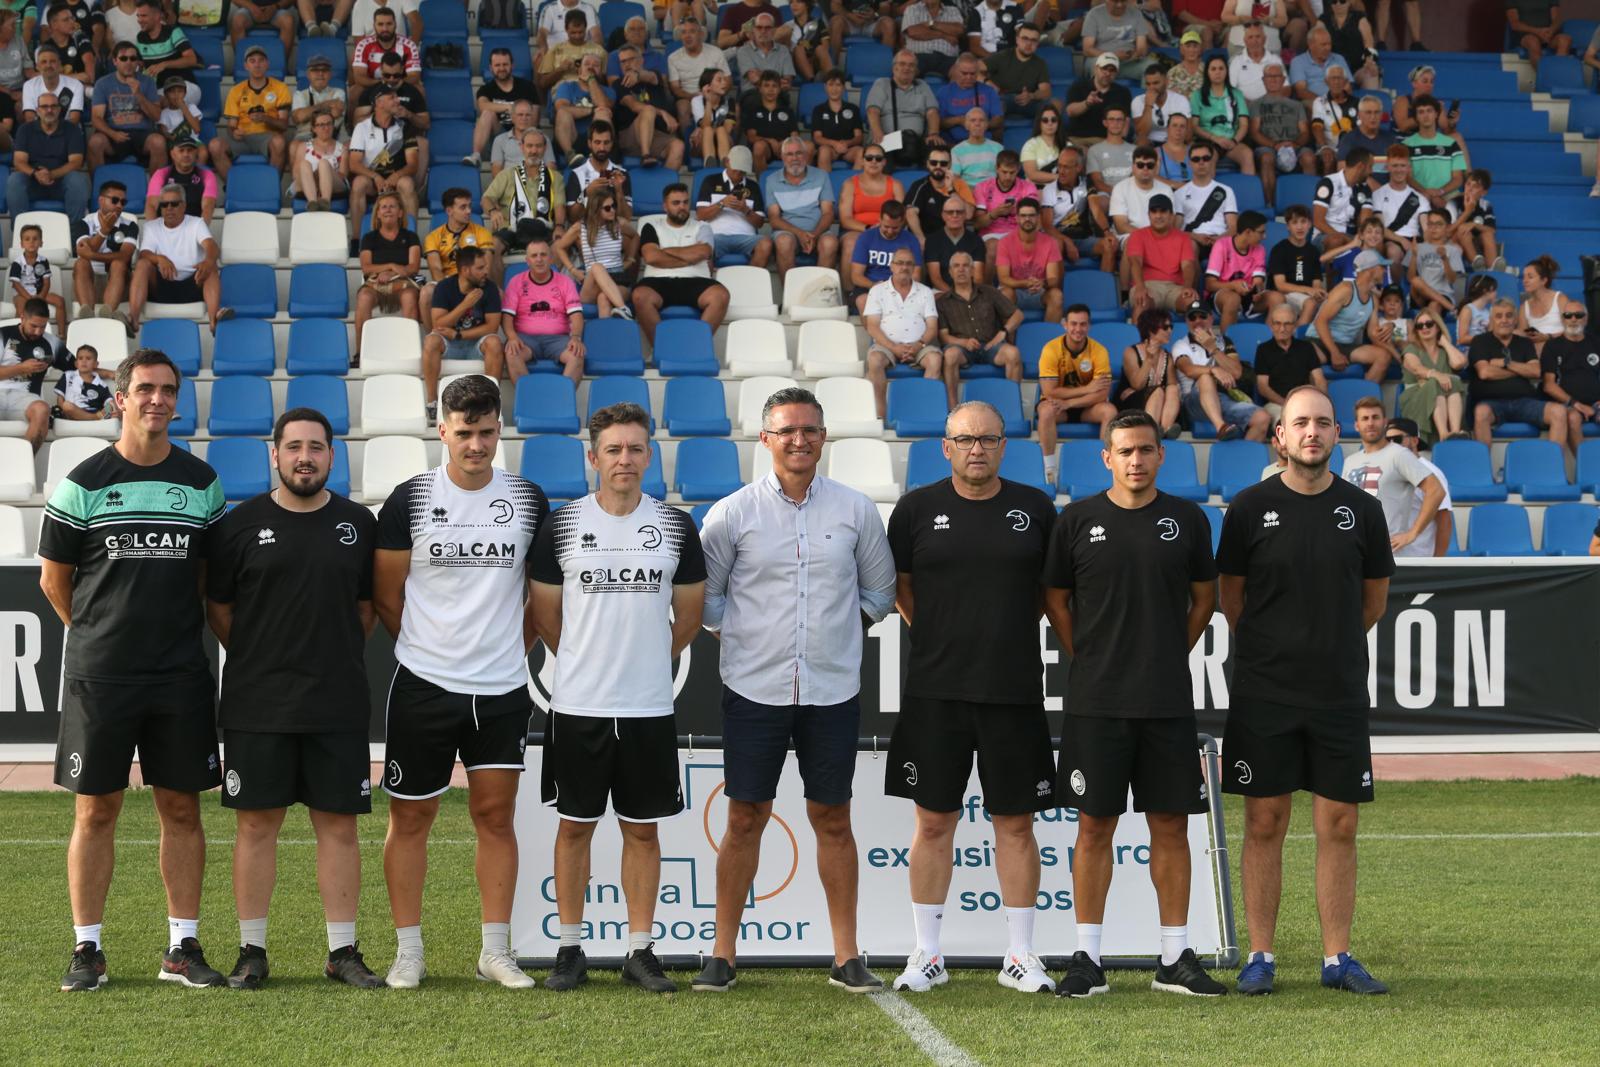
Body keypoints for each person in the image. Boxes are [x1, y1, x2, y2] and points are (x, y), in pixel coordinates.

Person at [692, 385, 897, 994]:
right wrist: (753, 635)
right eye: (786, 430)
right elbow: (707, 598)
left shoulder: (856, 510)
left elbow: (879, 594)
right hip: (754, 689)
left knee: (832, 817)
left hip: (831, 690)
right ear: (766, 439)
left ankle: (846, 955)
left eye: (809, 429)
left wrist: (833, 633)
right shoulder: (731, 513)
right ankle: (722, 954)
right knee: (745, 816)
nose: (799, 440)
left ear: (824, 437)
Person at [41, 347, 228, 992]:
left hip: (179, 674)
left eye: (167, 390)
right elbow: (54, 581)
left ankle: (182, 947)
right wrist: (98, 636)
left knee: (182, 809)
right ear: (119, 399)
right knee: (97, 811)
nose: (157, 400)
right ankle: (87, 950)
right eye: (144, 389)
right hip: (102, 677)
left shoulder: (202, 483)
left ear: (178, 400)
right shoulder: (83, 481)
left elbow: (207, 580)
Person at [1218, 384, 1394, 998]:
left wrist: (1327, 646)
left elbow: (1373, 601)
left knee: (1339, 824)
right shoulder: (1247, 508)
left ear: (1336, 434)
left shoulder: (1363, 511)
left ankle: (1337, 958)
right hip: (1265, 690)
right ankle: (1260, 955)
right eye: (1300, 424)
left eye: (1322, 423)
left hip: (1339, 691)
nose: (1312, 433)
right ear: (1281, 436)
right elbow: (1232, 600)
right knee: (1264, 820)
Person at [374, 374, 549, 991]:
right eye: (464, 432)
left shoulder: (527, 500)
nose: (476, 444)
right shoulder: (410, 499)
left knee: (495, 817)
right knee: (410, 819)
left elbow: (539, 595)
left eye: (487, 432)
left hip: (501, 689)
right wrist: (429, 648)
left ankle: (494, 951)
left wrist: (510, 648)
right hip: (423, 684)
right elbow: (387, 593)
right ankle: (408, 951)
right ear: (441, 430)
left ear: (500, 430)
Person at [1045, 408, 1224, 998]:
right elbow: (1057, 603)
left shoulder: (1187, 519)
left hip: (1167, 699)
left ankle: (1174, 957)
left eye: (1146, 450)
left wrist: (1169, 651)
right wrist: (1091, 658)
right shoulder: (1076, 521)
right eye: (1125, 452)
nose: (1136, 461)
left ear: (1160, 455)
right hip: (1097, 702)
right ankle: (1087, 958)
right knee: (1095, 825)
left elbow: (1204, 600)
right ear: (1107, 458)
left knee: (1170, 824)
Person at [204, 408, 385, 991]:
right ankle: (251, 951)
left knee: (339, 827)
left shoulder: (358, 524)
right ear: (274, 455)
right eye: (293, 447)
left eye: (316, 447)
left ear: (332, 456)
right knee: (257, 826)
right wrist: (264, 655)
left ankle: (342, 952)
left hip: (336, 701)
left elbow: (365, 610)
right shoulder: (237, 525)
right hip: (260, 703)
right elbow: (221, 610)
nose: (304, 456)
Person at [528, 402, 704, 995]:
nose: (624, 459)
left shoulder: (676, 526)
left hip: (649, 707)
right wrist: (590, 661)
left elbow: (689, 615)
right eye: (613, 449)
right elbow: (546, 619)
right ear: (593, 457)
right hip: (578, 705)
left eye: (634, 449)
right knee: (575, 827)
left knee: (643, 831)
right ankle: (570, 948)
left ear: (649, 455)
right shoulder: (561, 525)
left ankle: (639, 949)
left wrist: (646, 659)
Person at [884, 399, 1058, 994]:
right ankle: (928, 954)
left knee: (1016, 824)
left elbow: (1045, 594)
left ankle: (1020, 955)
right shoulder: (915, 510)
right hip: (937, 691)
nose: (977, 448)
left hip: (1012, 690)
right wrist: (941, 635)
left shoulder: (1036, 509)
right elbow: (902, 590)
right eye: (965, 439)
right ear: (946, 446)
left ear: (1004, 445)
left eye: (987, 438)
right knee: (933, 822)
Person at [1343, 394, 1445, 554]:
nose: (1370, 423)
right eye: (1365, 418)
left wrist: (1413, 533)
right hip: (1358, 551)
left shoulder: (1400, 454)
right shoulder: (1350, 461)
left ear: (1385, 422)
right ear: (1357, 425)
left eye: (1375, 417)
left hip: (1392, 554)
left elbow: (1436, 490)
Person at [633, 183, 729, 345]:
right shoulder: (651, 226)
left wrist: (665, 251)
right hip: (658, 281)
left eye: (685, 202)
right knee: (640, 296)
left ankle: (697, 347)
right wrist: (689, 257)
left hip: (696, 280)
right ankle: (661, 349)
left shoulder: (703, 226)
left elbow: (704, 253)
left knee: (721, 296)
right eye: (676, 203)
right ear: (665, 206)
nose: (682, 207)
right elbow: (651, 257)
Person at [1469, 297, 1570, 452]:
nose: (1504, 320)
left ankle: (1551, 468)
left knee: (1559, 412)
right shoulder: (1480, 341)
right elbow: (1485, 372)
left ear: (1515, 319)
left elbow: (1536, 371)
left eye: (1509, 316)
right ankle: (1483, 471)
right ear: (1491, 320)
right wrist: (1520, 371)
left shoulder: (1524, 343)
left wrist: (1506, 363)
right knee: (1481, 412)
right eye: (1499, 316)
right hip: (1491, 403)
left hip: (1525, 402)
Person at [420, 247, 503, 421]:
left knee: (495, 342)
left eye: (485, 267)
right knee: (431, 341)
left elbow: (492, 327)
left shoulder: (489, 288)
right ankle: (432, 402)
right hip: (449, 344)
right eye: (480, 268)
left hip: (475, 343)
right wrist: (465, 304)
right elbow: (438, 323)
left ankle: (492, 402)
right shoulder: (445, 287)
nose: (486, 271)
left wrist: (458, 334)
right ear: (465, 270)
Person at [128, 185, 224, 334]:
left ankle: (214, 322)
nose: (169, 208)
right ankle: (133, 319)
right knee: (142, 264)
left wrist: (208, 261)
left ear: (184, 205)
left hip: (193, 284)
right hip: (162, 285)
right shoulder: (151, 227)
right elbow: (144, 253)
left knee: (210, 266)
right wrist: (159, 258)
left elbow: (212, 246)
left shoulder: (196, 223)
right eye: (164, 204)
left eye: (174, 203)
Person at [1037, 304, 1118, 476]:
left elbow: (1102, 393)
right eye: (1073, 324)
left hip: (1086, 407)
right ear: (1064, 324)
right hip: (1058, 406)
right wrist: (1088, 388)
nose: (1078, 329)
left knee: (1109, 411)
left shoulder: (1099, 350)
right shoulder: (1050, 349)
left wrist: (1069, 402)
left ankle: (1103, 466)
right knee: (1045, 411)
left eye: (1083, 324)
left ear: (1089, 326)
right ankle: (1049, 468)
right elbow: (1050, 391)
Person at [1177, 299, 1271, 440]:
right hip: (1193, 402)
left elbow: (1237, 372)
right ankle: (1221, 426)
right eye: (1192, 317)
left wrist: (1213, 349)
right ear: (1187, 321)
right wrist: (1214, 370)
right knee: (1205, 378)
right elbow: (1188, 370)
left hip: (1223, 399)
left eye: (1202, 316)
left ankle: (1240, 461)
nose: (1197, 321)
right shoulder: (1181, 344)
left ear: (1211, 318)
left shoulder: (1224, 341)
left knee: (1262, 418)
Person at [864, 247, 942, 417]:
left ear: (914, 268)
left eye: (908, 264)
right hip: (887, 345)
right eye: (899, 263)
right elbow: (873, 326)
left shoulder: (925, 292)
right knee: (875, 360)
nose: (904, 267)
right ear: (891, 266)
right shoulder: (877, 291)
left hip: (920, 345)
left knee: (935, 360)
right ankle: (880, 415)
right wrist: (894, 347)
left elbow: (932, 327)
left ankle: (923, 413)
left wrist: (918, 344)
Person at [937, 251, 1022, 406]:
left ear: (973, 270)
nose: (961, 269)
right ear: (950, 272)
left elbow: (1017, 315)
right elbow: (944, 336)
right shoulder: (943, 301)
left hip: (991, 347)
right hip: (962, 350)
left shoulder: (989, 292)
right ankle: (952, 407)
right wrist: (963, 343)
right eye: (956, 266)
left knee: (1013, 353)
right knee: (950, 355)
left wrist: (1003, 333)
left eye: (965, 266)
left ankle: (1012, 406)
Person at [506, 235, 587, 383]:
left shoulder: (565, 282)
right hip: (526, 339)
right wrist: (512, 337)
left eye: (543, 254)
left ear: (551, 258)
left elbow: (576, 315)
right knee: (512, 353)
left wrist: (575, 337)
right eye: (534, 255)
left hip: (558, 340)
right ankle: (528, 400)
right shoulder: (516, 282)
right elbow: (507, 317)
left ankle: (562, 401)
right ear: (527, 260)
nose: (539, 259)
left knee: (577, 355)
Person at [552, 185, 634, 321]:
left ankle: (605, 338)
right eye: (607, 208)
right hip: (591, 283)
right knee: (596, 267)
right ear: (596, 210)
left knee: (603, 298)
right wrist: (572, 270)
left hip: (618, 278)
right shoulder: (580, 227)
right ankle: (624, 309)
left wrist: (630, 259)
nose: (612, 210)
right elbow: (559, 247)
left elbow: (635, 236)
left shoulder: (619, 223)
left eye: (613, 206)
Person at [483, 128, 566, 259]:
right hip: (512, 229)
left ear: (545, 148)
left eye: (538, 146)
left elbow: (559, 206)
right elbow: (486, 198)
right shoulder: (507, 174)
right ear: (522, 147)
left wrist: (560, 226)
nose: (534, 151)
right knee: (492, 248)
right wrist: (493, 211)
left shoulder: (555, 177)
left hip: (543, 229)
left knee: (561, 246)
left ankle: (552, 280)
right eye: (529, 146)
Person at [207, 44, 288, 179]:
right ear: (246, 66)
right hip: (243, 138)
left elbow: (284, 125)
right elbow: (231, 126)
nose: (257, 65)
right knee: (215, 145)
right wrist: (234, 133)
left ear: (267, 64)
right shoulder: (236, 90)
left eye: (261, 60)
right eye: (252, 61)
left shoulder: (280, 87)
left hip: (268, 137)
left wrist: (266, 118)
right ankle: (234, 187)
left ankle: (271, 187)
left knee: (279, 142)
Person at [0, 298, 70, 450]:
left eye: (43, 327)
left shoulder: (51, 342)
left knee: (42, 410)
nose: (38, 331)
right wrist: (21, 368)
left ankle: (23, 464)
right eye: (33, 326)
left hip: (25, 399)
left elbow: (78, 367)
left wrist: (107, 373)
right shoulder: (3, 335)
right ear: (22, 317)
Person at [354, 191, 421, 347]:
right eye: (383, 207)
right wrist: (391, 266)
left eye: (392, 206)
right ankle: (361, 351)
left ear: (400, 213)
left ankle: (410, 348)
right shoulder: (369, 238)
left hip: (403, 283)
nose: (388, 210)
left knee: (410, 296)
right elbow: (366, 268)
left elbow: (413, 267)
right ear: (377, 214)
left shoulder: (411, 237)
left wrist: (390, 274)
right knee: (364, 296)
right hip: (375, 284)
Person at [1314, 249, 1392, 381]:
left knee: (1383, 357)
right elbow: (1320, 322)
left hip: (1345, 345)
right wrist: (1334, 353)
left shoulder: (1374, 299)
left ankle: (1363, 397)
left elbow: (1373, 334)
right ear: (1370, 269)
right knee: (1309, 357)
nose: (1385, 271)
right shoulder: (1345, 289)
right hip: (1319, 341)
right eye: (1382, 267)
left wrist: (1391, 325)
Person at [8, 91, 89, 219]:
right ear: (37, 110)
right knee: (15, 180)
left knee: (78, 180)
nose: (49, 110)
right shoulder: (25, 129)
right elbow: (19, 161)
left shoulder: (72, 129)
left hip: (61, 182)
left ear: (59, 109)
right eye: (44, 107)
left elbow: (76, 162)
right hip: (32, 182)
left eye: (53, 106)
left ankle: (76, 234)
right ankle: (20, 232)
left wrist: (50, 175)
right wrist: (36, 174)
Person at [348, 86, 421, 227]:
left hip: (396, 181)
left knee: (407, 183)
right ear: (379, 103)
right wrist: (375, 177)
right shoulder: (362, 127)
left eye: (396, 97)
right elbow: (354, 164)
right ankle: (356, 239)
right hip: (372, 182)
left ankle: (412, 237)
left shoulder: (405, 126)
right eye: (392, 98)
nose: (397, 101)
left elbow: (413, 164)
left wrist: (396, 175)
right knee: (358, 183)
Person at [767, 135, 839, 273]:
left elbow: (828, 213)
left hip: (819, 231)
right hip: (788, 232)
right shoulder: (772, 180)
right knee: (783, 242)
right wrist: (800, 234)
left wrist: (814, 235)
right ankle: (789, 293)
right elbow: (774, 219)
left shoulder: (821, 176)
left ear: (806, 155)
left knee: (830, 243)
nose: (794, 158)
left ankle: (819, 293)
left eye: (798, 153)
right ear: (782, 157)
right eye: (789, 154)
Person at [88, 42, 164, 170]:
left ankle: (155, 188)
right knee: (95, 142)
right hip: (113, 132)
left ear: (137, 62)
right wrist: (112, 134)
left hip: (142, 133)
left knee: (159, 142)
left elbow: (156, 116)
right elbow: (96, 118)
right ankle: (98, 188)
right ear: (115, 61)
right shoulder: (102, 83)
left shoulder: (148, 81)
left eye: (133, 59)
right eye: (123, 58)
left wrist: (139, 94)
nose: (128, 62)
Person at [72, 181, 141, 324]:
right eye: (115, 200)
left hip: (119, 282)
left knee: (118, 264)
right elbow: (82, 252)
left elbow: (125, 255)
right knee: (81, 263)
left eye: (123, 202)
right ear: (101, 200)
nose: (119, 205)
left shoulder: (130, 225)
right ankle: (87, 316)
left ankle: (107, 315)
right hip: (90, 282)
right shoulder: (83, 223)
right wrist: (104, 231)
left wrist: (92, 256)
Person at [1040, 144, 1114, 273]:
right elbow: (1047, 226)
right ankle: (1058, 289)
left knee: (1110, 245)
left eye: (1066, 167)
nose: (1061, 171)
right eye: (1059, 166)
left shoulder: (1087, 183)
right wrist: (1067, 241)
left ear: (1078, 168)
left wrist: (1107, 232)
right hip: (1060, 239)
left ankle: (1104, 288)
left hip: (1084, 239)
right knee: (1057, 244)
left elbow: (1096, 210)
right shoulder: (1049, 189)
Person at [1397, 307, 1467, 443]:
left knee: (1453, 381)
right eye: (1419, 326)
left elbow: (1460, 363)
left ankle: (1455, 432)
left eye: (1429, 324)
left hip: (1443, 398)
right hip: (1415, 399)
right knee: (1435, 383)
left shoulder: (1444, 350)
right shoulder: (1411, 349)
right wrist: (1436, 375)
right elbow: (1417, 369)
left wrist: (1446, 343)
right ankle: (1444, 435)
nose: (1424, 328)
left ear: (1438, 327)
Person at [695, 145, 772, 267]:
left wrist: (746, 210)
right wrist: (721, 204)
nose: (738, 173)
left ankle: (751, 282)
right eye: (736, 168)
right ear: (726, 162)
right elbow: (700, 215)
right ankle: (708, 284)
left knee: (766, 243)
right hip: (716, 236)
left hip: (746, 238)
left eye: (742, 170)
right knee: (703, 245)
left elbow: (760, 223)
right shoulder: (710, 181)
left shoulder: (753, 186)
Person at [1248, 64, 1313, 210]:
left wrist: (1296, 144)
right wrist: (1274, 145)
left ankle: (1311, 203)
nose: (1273, 80)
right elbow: (1254, 132)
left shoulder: (1296, 105)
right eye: (1269, 77)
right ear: (1263, 80)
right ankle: (1270, 205)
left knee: (1309, 157)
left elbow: (1304, 132)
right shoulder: (1256, 104)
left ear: (1283, 79)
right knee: (1266, 158)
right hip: (1268, 146)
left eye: (1277, 76)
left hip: (1294, 145)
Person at [865, 49, 941, 168]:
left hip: (916, 140)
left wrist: (933, 133)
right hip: (888, 137)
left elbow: (932, 112)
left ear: (916, 70)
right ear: (894, 67)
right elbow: (872, 110)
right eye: (902, 64)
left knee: (938, 154)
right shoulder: (882, 84)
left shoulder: (923, 86)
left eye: (911, 65)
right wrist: (878, 132)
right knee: (880, 157)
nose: (907, 68)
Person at [1127, 193, 1200, 318]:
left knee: (1195, 306)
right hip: (1148, 286)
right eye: (1154, 212)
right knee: (1141, 305)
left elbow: (1188, 265)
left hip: (1175, 288)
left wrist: (1187, 287)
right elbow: (1135, 262)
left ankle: (1200, 338)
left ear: (1171, 215)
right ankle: (1138, 338)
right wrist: (1140, 286)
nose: (1158, 216)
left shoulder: (1183, 237)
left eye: (1163, 211)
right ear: (1148, 215)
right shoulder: (1137, 235)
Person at [613, 43, 683, 170]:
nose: (627, 64)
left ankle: (664, 185)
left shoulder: (654, 77)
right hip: (630, 137)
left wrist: (638, 75)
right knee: (648, 109)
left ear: (641, 60)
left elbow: (651, 77)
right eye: (623, 62)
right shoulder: (619, 84)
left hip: (655, 135)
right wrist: (662, 112)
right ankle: (646, 155)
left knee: (678, 146)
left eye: (631, 59)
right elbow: (634, 105)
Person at [1254, 302, 1329, 419]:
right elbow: (1263, 387)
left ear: (1294, 326)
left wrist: (1319, 402)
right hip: (1277, 404)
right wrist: (1287, 404)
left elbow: (1320, 380)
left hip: (1305, 403)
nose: (1282, 329)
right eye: (1277, 323)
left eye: (1287, 324)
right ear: (1271, 325)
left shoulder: (1307, 347)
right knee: (1288, 422)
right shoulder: (1263, 350)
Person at [1540, 302, 1600, 444]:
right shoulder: (1552, 346)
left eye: (1578, 315)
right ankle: (1584, 465)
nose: (1573, 319)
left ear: (1586, 318)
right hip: (1569, 404)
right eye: (1568, 315)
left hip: (1597, 402)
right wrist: (1576, 404)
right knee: (1572, 418)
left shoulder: (1597, 343)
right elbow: (1549, 385)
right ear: (1562, 319)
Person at [994, 196, 1062, 320]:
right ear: (1017, 218)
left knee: (1056, 295)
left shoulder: (1051, 242)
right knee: (1005, 294)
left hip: (1039, 291)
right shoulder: (1004, 242)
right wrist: (1026, 283)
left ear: (1038, 218)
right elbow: (1003, 279)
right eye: (1023, 215)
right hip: (1015, 291)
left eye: (1031, 215)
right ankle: (1007, 338)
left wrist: (1042, 283)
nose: (1027, 219)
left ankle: (1049, 338)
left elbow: (1053, 278)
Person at [468, 46, 538, 167]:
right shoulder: (486, 89)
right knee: (487, 113)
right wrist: (509, 107)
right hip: (498, 136)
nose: (501, 68)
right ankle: (476, 155)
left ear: (512, 65)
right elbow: (482, 105)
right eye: (497, 65)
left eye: (505, 64)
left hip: (524, 135)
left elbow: (535, 117)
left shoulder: (527, 87)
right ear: (491, 68)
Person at [1205, 209, 1272, 331]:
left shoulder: (1260, 249)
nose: (1264, 236)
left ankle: (1268, 342)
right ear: (1248, 232)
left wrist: (1258, 291)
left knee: (1277, 299)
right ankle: (1227, 347)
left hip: (1248, 295)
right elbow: (1209, 284)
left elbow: (1258, 281)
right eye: (1261, 233)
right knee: (1233, 299)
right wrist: (1233, 286)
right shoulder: (1221, 245)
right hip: (1222, 293)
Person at [424, 186, 496, 298]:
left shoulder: (482, 232)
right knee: (427, 292)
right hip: (447, 281)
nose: (469, 211)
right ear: (449, 211)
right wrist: (451, 288)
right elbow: (436, 269)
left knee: (499, 293)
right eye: (463, 207)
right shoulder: (433, 237)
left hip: (475, 280)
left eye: (469, 206)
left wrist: (468, 284)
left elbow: (486, 265)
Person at [1118, 309, 1182, 435]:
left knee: (1173, 388)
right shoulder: (1131, 352)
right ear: (1150, 329)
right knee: (1157, 391)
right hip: (1132, 401)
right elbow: (1137, 384)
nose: (1170, 331)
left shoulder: (1167, 357)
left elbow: (1172, 387)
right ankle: (1151, 431)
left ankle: (1165, 428)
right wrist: (1148, 360)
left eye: (1171, 327)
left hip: (1160, 404)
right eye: (1165, 327)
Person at [1173, 140, 1240, 256]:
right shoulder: (1179, 193)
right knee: (1190, 247)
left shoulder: (1226, 191)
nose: (1201, 162)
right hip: (1193, 239)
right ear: (1189, 163)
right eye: (1196, 159)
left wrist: (1219, 239)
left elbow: (1233, 227)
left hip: (1221, 239)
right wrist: (1195, 237)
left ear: (1212, 161)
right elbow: (1175, 230)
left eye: (1206, 158)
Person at [1189, 56, 1254, 174]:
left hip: (1232, 141)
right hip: (1208, 141)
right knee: (1208, 159)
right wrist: (1214, 138)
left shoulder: (1236, 94)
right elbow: (1194, 126)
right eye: (1213, 69)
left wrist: (1234, 141)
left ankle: (1249, 191)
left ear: (1226, 71)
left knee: (1247, 155)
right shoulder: (1197, 95)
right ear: (1207, 72)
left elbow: (1244, 124)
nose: (1217, 72)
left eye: (1221, 68)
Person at [1402, 95, 1463, 212]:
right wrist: (1426, 194)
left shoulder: (1451, 144)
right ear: (1416, 117)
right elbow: (1407, 177)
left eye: (1429, 111)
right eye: (1421, 112)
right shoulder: (1406, 145)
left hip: (1447, 195)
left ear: (1436, 114)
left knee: (1452, 211)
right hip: (1418, 195)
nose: (1425, 116)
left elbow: (1458, 178)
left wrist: (1440, 192)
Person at [1268, 204, 1326, 327]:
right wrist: (1309, 291)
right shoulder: (1279, 249)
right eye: (1294, 222)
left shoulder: (1313, 251)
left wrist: (1317, 293)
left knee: (1332, 304)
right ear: (1288, 226)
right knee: (1310, 303)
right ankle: (1294, 337)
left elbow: (1317, 281)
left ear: (1310, 224)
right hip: (1284, 295)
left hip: (1305, 295)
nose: (1300, 227)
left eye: (1303, 222)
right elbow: (1280, 285)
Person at [667, 18, 730, 130]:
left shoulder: (716, 52)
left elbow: (728, 80)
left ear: (701, 34)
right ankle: (688, 143)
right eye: (684, 32)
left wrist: (715, 95)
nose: (687, 36)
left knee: (734, 107)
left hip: (715, 94)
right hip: (688, 97)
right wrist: (693, 96)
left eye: (692, 31)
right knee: (682, 108)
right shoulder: (673, 58)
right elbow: (675, 88)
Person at [905, 145, 975, 243]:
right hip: (926, 237)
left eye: (943, 163)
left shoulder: (959, 184)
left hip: (953, 240)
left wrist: (951, 189)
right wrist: (921, 239)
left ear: (949, 165)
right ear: (927, 164)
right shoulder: (919, 185)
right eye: (934, 163)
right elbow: (910, 213)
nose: (938, 166)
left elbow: (968, 215)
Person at [565, 121, 632, 222]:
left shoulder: (621, 174)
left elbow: (627, 218)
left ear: (612, 143)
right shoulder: (577, 174)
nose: (602, 148)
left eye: (606, 142)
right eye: (597, 142)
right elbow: (573, 218)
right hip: (586, 232)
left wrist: (619, 191)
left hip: (614, 232)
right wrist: (586, 193)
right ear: (589, 143)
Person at [985, 20, 1052, 121]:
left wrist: (1032, 95)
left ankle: (1042, 137)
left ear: (1038, 43)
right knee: (997, 106)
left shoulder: (1040, 63)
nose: (1029, 43)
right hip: (1003, 98)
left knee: (1056, 104)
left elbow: (1046, 91)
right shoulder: (1003, 56)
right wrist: (986, 81)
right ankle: (994, 137)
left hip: (1028, 101)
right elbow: (974, 68)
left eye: (1033, 40)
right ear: (1017, 40)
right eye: (1025, 38)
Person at [9, 222, 67, 336]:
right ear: (21, 244)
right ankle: (17, 336)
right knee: (21, 307)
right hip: (22, 295)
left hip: (40, 294)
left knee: (60, 301)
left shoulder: (43, 261)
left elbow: (46, 283)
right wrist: (30, 298)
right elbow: (16, 284)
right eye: (27, 239)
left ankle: (61, 335)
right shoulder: (17, 263)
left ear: (41, 243)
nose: (31, 242)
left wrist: (40, 297)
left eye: (35, 239)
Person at [1312, 147, 1372, 253]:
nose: (1371, 171)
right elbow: (1318, 221)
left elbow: (1364, 222)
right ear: (1360, 167)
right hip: (1324, 236)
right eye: (1370, 167)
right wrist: (1345, 240)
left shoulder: (1365, 189)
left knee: (1375, 243)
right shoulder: (1328, 182)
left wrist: (1362, 239)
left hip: (1351, 237)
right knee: (1336, 241)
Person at [145, 135, 218, 223]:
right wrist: (154, 232)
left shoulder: (207, 175)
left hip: (194, 228)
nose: (186, 154)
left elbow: (208, 208)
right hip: (165, 229)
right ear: (172, 154)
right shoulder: (160, 174)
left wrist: (199, 232)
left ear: (196, 153)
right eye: (181, 150)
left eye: (190, 150)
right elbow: (151, 206)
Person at [924, 194, 988, 292]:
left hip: (970, 291)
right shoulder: (932, 240)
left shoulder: (976, 240)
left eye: (959, 212)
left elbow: (978, 278)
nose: (955, 215)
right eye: (950, 212)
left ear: (965, 215)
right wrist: (955, 297)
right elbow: (935, 279)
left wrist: (967, 295)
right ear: (943, 215)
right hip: (941, 291)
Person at [1408, 209, 1464, 320]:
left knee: (1435, 305)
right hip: (1420, 296)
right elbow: (1410, 278)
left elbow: (1453, 280)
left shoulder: (1453, 250)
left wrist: (1445, 259)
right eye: (1431, 224)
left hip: (1443, 294)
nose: (1433, 228)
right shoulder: (1418, 247)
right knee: (1416, 281)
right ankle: (1453, 308)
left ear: (1447, 227)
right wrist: (1414, 256)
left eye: (1438, 224)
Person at [537, 8, 606, 96]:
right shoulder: (555, 50)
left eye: (580, 32)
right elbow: (542, 84)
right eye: (573, 33)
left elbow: (606, 82)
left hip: (591, 92)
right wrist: (560, 69)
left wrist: (591, 71)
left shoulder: (599, 51)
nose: (577, 36)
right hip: (563, 93)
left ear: (586, 28)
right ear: (566, 29)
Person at [1081, 0, 1155, 82]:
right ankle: (1101, 94)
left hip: (1128, 62)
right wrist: (1112, 55)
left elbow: (1142, 47)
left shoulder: (1136, 14)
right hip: (1101, 59)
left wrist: (1137, 54)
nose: (1119, 5)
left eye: (1123, 1)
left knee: (1152, 68)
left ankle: (1148, 94)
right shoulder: (1094, 14)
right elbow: (1087, 49)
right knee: (1099, 67)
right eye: (1115, 1)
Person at [1067, 53, 1133, 144]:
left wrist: (1119, 143)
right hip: (1077, 138)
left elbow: (1125, 121)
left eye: (1112, 70)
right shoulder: (1079, 86)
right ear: (1095, 69)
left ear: (1116, 73)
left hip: (1106, 141)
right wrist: (1087, 103)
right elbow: (1070, 111)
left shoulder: (1123, 92)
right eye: (1104, 69)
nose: (1108, 73)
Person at [1448, 169, 1503, 274]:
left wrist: (1474, 225)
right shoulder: (1453, 203)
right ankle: (1479, 268)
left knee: (1487, 234)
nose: (1470, 189)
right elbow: (1448, 232)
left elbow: (1492, 230)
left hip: (1477, 244)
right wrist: (1467, 212)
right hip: (1455, 243)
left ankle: (1492, 271)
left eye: (1476, 186)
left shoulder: (1486, 205)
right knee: (1462, 230)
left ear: (1483, 192)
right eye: (1468, 184)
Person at [1517, 255, 1574, 355]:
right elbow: (1523, 337)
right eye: (1524, 276)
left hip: (1562, 348)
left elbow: (1572, 329)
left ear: (1543, 280)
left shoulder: (1560, 299)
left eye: (1530, 277)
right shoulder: (1524, 307)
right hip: (1537, 353)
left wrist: (1548, 337)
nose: (1524, 280)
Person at [810, 67, 865, 170]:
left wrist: (847, 143)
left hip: (848, 149)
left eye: (838, 85)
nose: (834, 89)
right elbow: (817, 137)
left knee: (861, 152)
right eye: (830, 85)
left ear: (843, 87)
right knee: (824, 151)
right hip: (828, 148)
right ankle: (826, 185)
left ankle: (854, 185)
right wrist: (834, 144)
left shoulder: (853, 109)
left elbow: (859, 136)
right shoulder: (818, 110)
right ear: (825, 87)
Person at [936, 53, 1003, 136]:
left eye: (972, 74)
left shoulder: (989, 91)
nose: (968, 77)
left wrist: (980, 125)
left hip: (982, 142)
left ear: (977, 72)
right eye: (964, 73)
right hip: (952, 143)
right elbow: (939, 122)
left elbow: (998, 119)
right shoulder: (943, 92)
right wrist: (958, 120)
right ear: (955, 70)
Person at [292, 111, 347, 212]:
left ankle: (325, 201)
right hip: (306, 182)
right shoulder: (303, 146)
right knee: (304, 164)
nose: (326, 128)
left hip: (333, 184)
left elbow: (343, 175)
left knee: (323, 164)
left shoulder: (342, 148)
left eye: (329, 124)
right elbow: (296, 174)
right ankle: (312, 202)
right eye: (321, 125)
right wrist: (314, 179)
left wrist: (322, 176)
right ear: (314, 128)